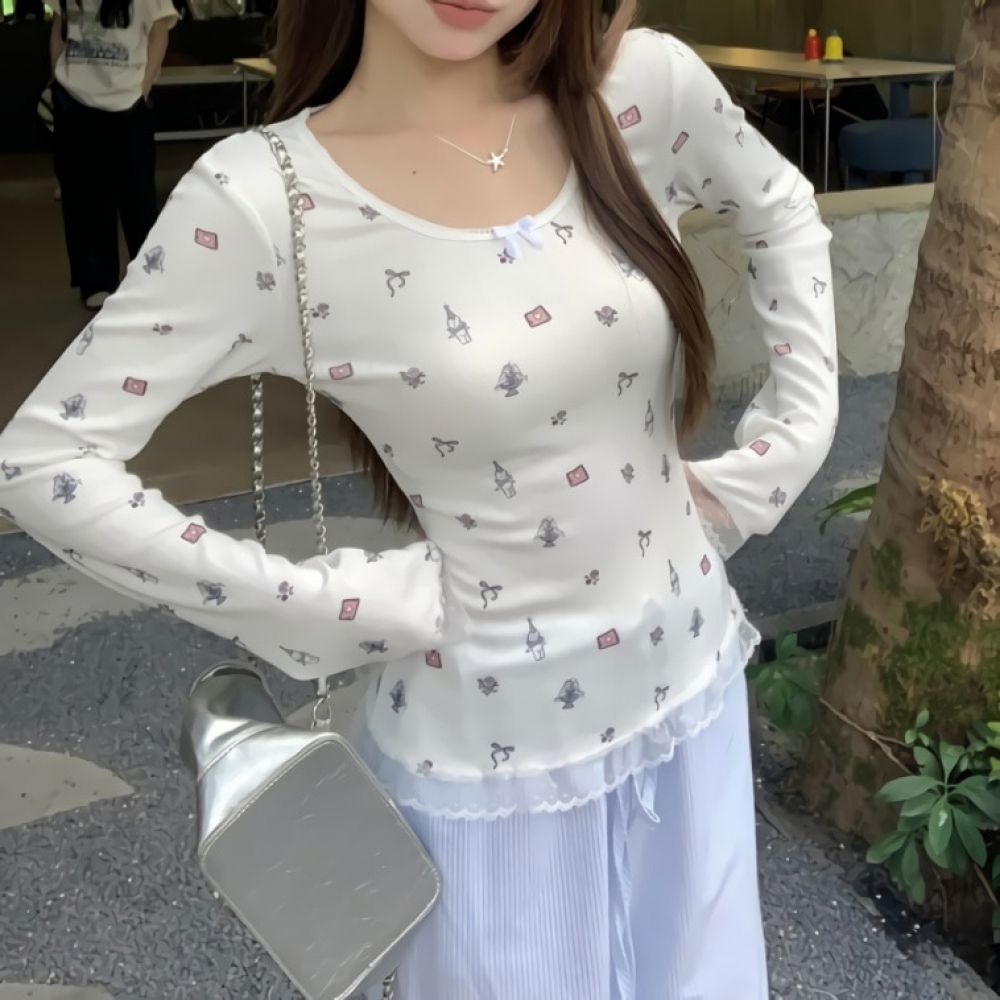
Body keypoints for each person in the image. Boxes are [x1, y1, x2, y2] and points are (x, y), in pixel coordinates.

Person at [0, 1, 839, 996]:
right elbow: (45, 461)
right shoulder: (266, 199)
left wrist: (778, 459)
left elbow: (781, 205)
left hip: (692, 692)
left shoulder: (634, 89)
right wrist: (327, 609)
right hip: (491, 766)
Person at [50, 0, 177, 311]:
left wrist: (143, 86)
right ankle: (96, 281)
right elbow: (59, 27)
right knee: (84, 197)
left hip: (128, 102)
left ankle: (148, 276)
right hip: (76, 100)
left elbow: (159, 29)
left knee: (138, 197)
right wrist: (58, 77)